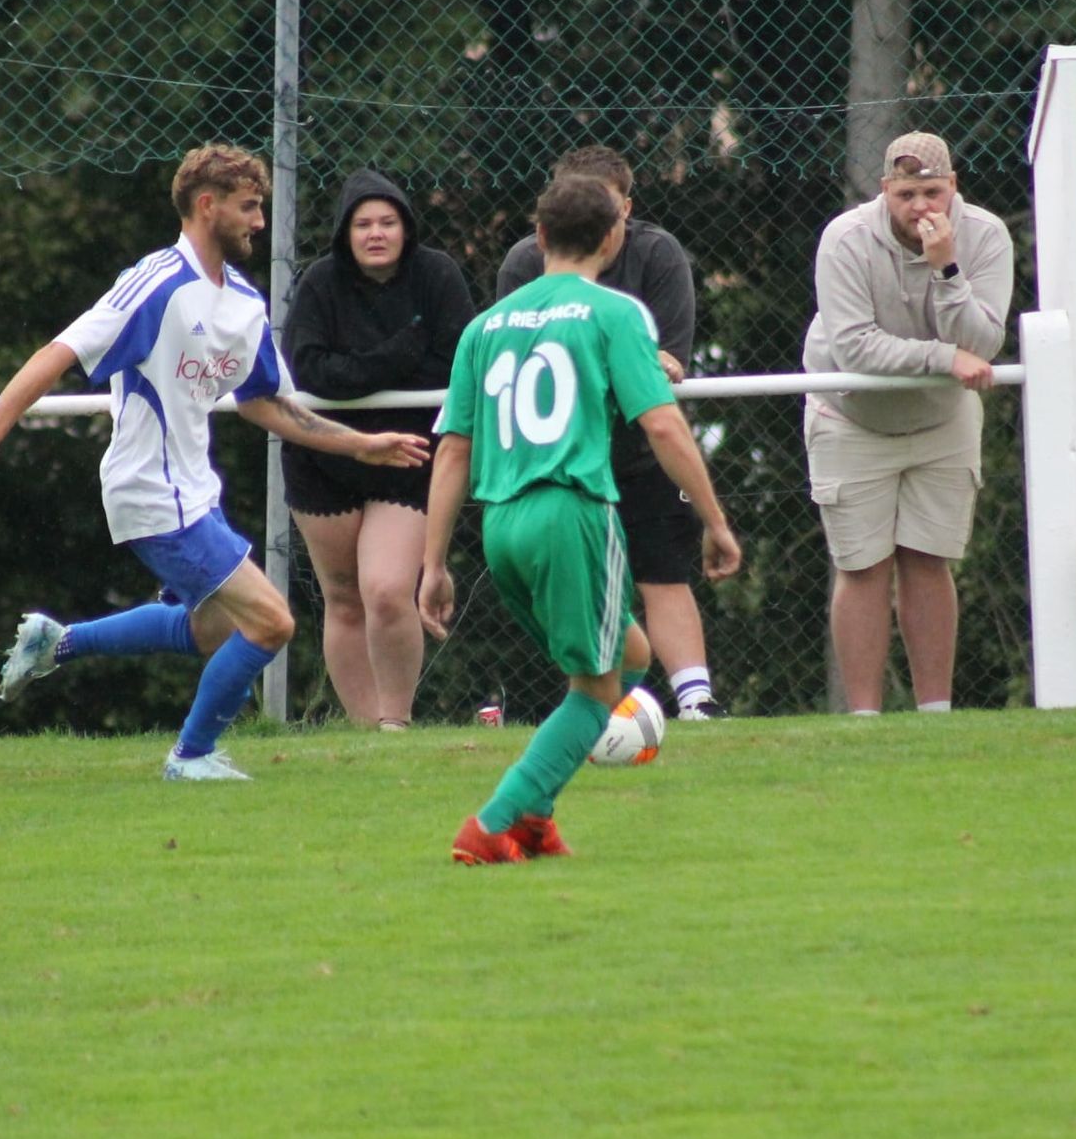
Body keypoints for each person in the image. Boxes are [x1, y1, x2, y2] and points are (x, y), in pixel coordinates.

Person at [0, 143, 429, 781]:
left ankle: (56, 643)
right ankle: (191, 756)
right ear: (208, 206)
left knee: (208, 631)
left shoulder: (242, 305)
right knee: (272, 621)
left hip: (195, 492)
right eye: (249, 207)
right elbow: (60, 351)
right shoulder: (158, 283)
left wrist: (362, 444)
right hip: (149, 490)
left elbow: (268, 406)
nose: (259, 222)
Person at [421, 175, 741, 865]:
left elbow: (453, 450)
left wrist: (433, 562)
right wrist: (715, 521)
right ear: (612, 236)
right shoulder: (614, 312)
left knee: (630, 655)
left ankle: (536, 822)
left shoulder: (486, 325)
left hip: (501, 522)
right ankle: (493, 823)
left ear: (538, 240)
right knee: (597, 686)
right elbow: (661, 422)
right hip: (571, 512)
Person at [496, 146, 728, 720]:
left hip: (635, 454)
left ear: (625, 209)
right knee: (585, 598)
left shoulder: (655, 254)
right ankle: (597, 702)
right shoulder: (522, 273)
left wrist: (657, 365)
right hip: (564, 468)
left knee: (661, 569)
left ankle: (694, 700)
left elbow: (668, 368)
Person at [801, 131, 1012, 715]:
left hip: (941, 421)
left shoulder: (985, 235)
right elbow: (855, 349)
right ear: (885, 191)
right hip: (850, 415)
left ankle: (934, 717)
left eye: (933, 192)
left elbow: (982, 342)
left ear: (954, 189)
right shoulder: (845, 238)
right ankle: (865, 721)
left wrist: (947, 270)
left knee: (927, 559)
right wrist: (942, 359)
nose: (922, 207)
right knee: (863, 567)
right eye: (907, 194)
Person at [281, 170, 476, 731]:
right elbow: (312, 370)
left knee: (388, 590)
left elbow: (456, 365)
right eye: (363, 224)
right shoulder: (320, 282)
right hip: (326, 458)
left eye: (387, 222)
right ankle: (367, 736)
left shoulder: (437, 275)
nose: (375, 234)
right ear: (345, 232)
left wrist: (362, 372)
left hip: (410, 456)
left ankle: (396, 723)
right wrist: (398, 355)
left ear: (405, 228)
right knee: (343, 598)